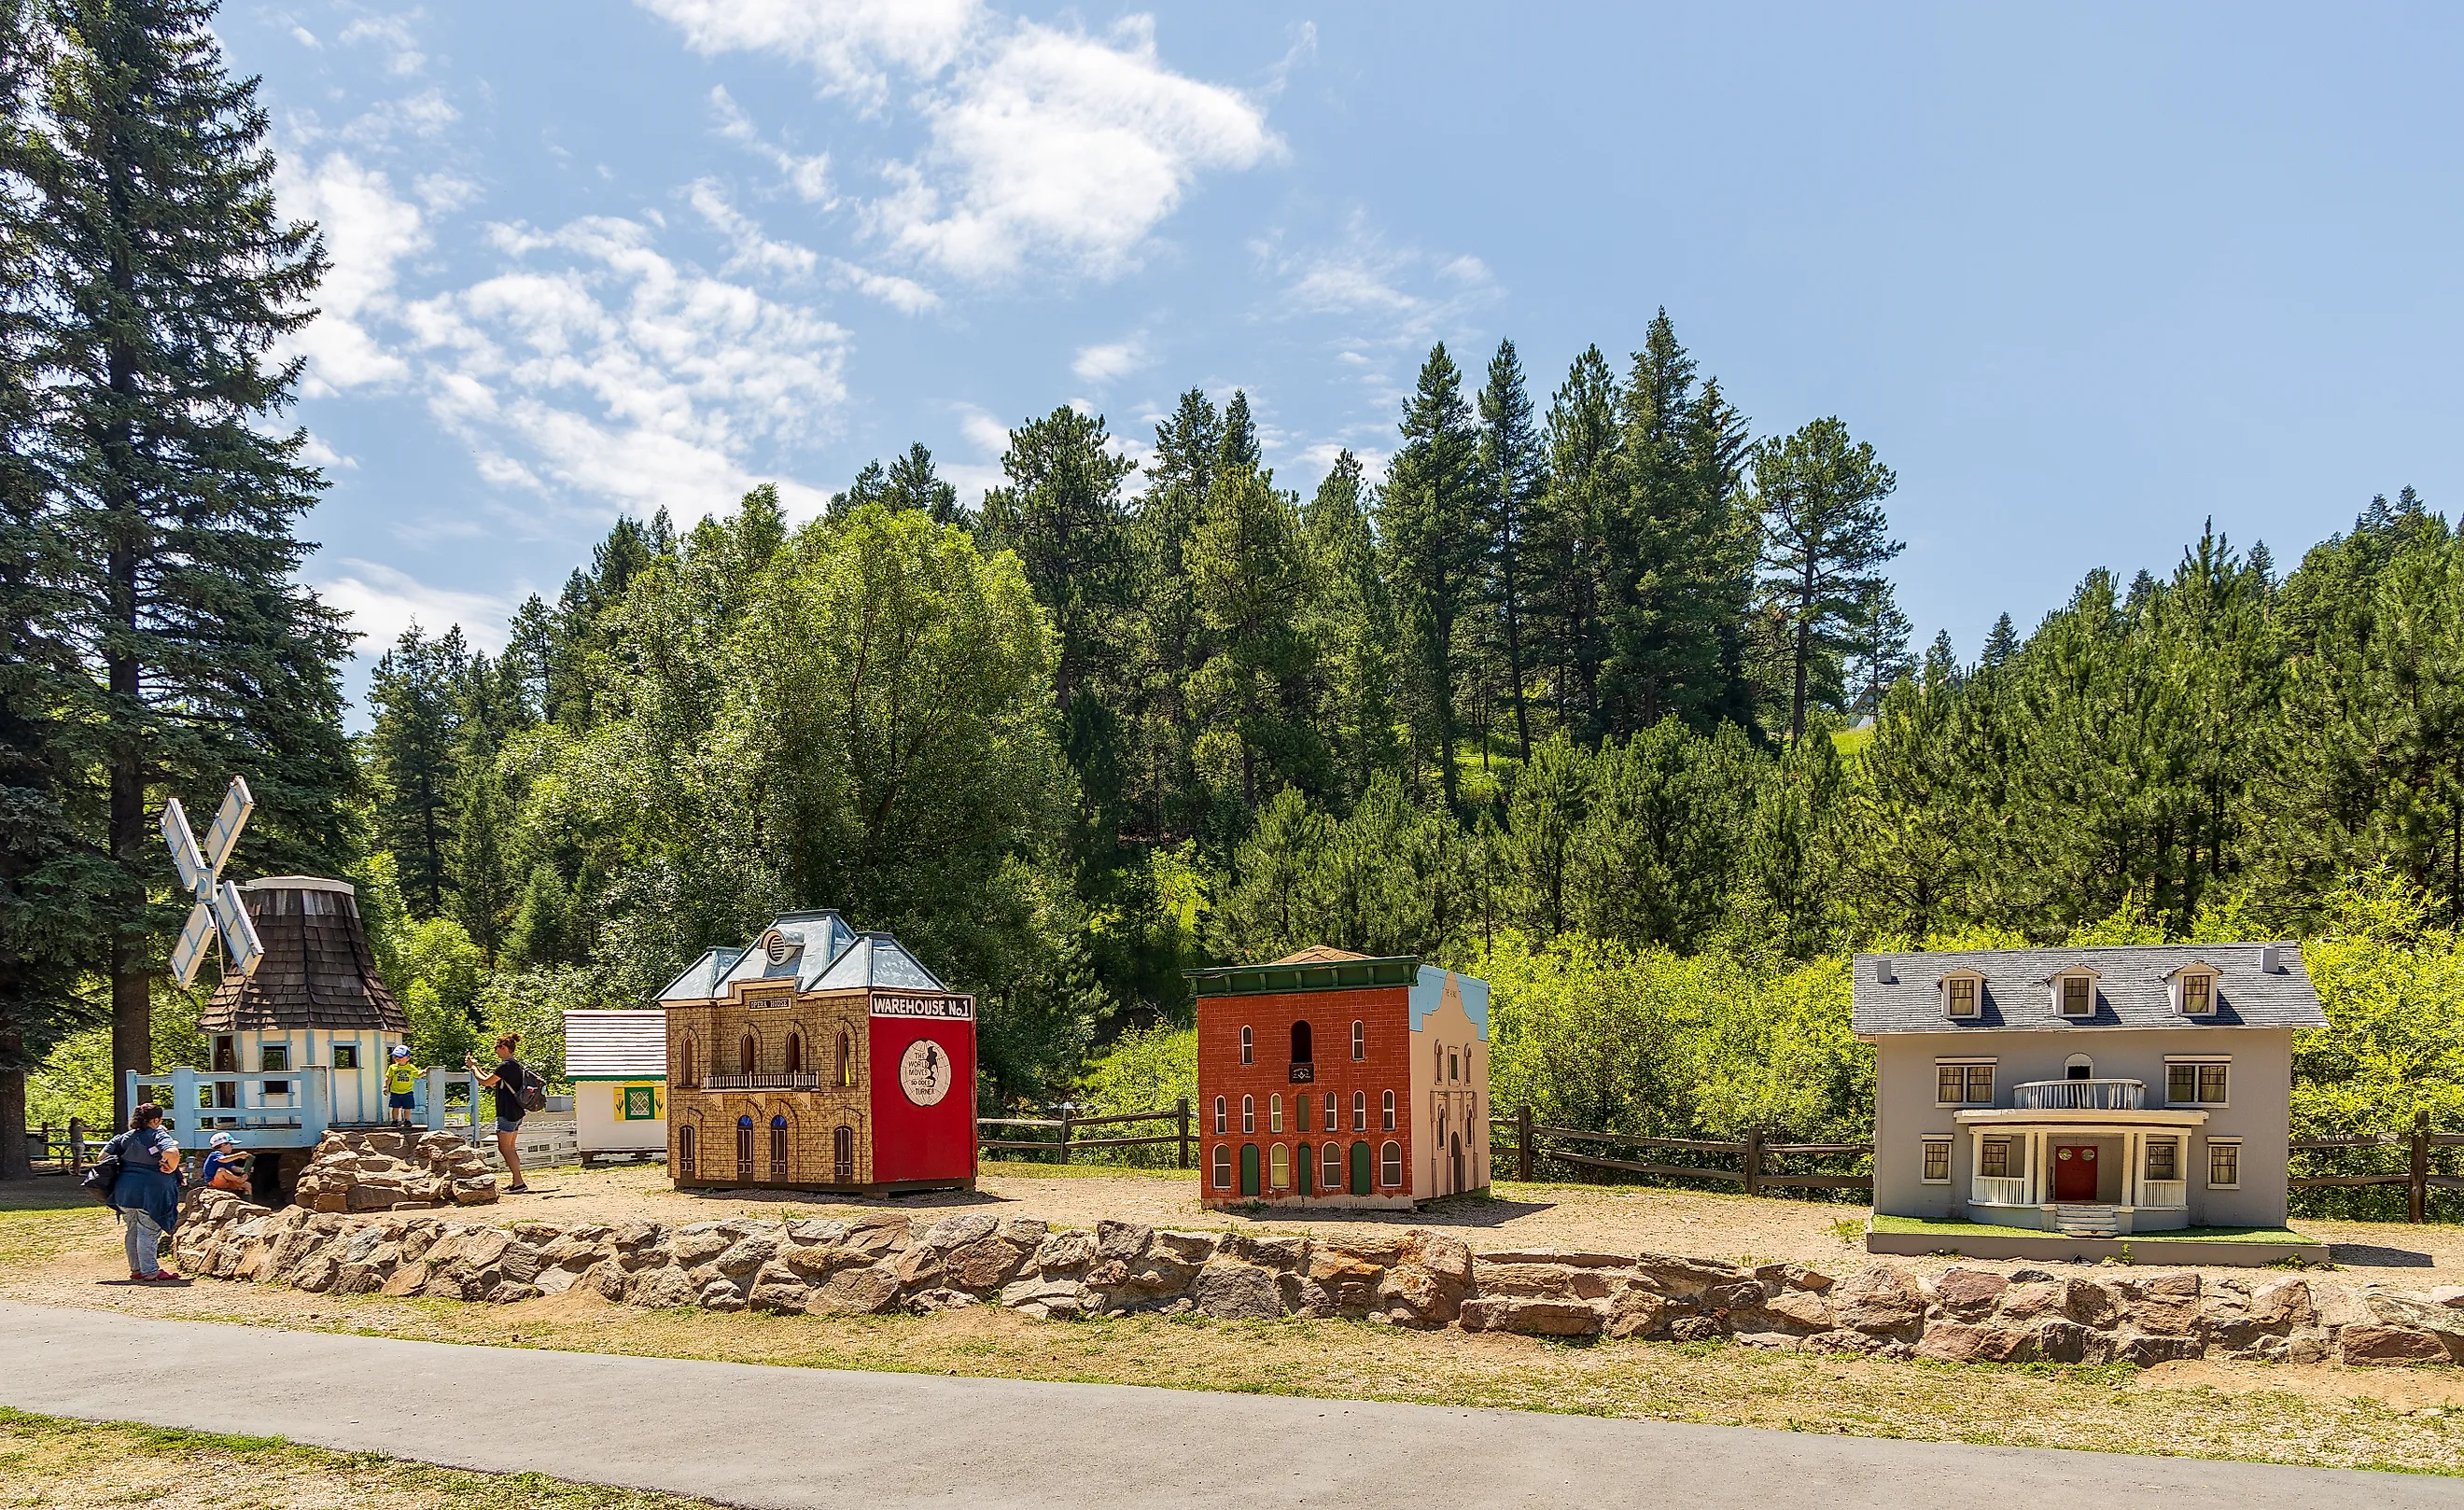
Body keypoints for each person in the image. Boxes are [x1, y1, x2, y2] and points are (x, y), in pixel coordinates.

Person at [108, 1103, 185, 1282]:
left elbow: (103, 1157)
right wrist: (171, 1166)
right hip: (151, 1193)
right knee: (148, 1231)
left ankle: (137, 1270)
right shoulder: (158, 1134)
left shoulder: (125, 1137)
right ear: (156, 1120)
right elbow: (172, 1152)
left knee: (133, 1230)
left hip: (124, 1192)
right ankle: (150, 1271)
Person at [467, 1034, 531, 1193]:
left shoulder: (506, 1066)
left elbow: (485, 1082)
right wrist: (476, 1068)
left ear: (503, 1048)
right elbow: (489, 1081)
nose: (495, 1051)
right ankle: (517, 1181)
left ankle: (519, 1182)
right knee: (511, 1148)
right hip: (516, 1111)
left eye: (496, 1048)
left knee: (505, 1148)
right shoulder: (516, 1066)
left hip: (507, 1112)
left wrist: (473, 1067)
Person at [198, 1131, 251, 1195]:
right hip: (215, 1182)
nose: (232, 1147)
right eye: (230, 1145)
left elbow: (233, 1168)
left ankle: (248, 1201)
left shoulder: (227, 1158)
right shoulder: (215, 1154)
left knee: (247, 1185)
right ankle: (238, 1179)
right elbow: (223, 1160)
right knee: (221, 1171)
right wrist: (238, 1155)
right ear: (223, 1145)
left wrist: (245, 1169)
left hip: (227, 1182)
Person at [385, 1043, 421, 1127]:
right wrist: (385, 1086)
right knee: (395, 1107)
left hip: (407, 1091)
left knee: (407, 1108)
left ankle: (407, 1120)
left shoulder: (411, 1067)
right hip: (395, 1091)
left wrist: (426, 1071)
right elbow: (388, 1077)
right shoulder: (392, 1067)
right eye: (395, 1057)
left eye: (400, 1057)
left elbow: (418, 1075)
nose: (398, 1058)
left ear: (407, 1058)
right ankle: (395, 1120)